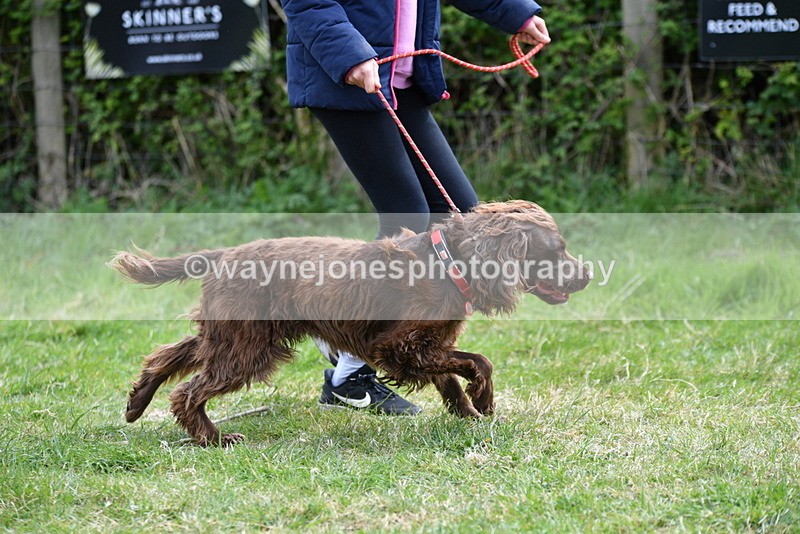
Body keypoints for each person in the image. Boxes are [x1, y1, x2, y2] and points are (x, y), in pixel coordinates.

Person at [282, 0, 550, 414]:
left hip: (402, 77)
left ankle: (350, 324)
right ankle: (350, 374)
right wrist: (349, 54)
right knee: (406, 219)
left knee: (457, 211)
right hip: (350, 77)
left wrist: (514, 13)